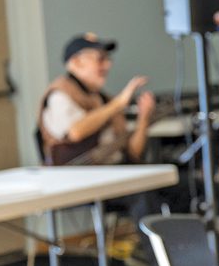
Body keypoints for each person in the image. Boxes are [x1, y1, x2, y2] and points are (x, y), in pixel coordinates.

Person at [38, 33, 155, 166]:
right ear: (76, 62)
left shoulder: (105, 99)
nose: (107, 65)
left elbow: (132, 152)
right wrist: (118, 103)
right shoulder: (59, 94)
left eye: (108, 59)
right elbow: (75, 132)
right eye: (100, 59)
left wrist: (144, 119)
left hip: (112, 175)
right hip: (75, 180)